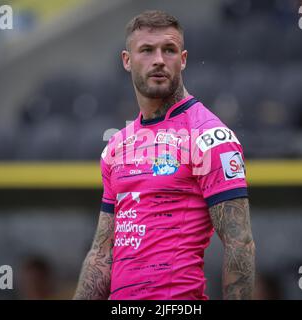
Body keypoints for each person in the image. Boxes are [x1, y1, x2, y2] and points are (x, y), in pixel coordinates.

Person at [73, 10, 255, 300]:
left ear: (182, 60)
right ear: (127, 60)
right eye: (146, 50)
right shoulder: (117, 146)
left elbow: (239, 243)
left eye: (168, 50)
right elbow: (100, 254)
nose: (159, 59)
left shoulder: (210, 137)